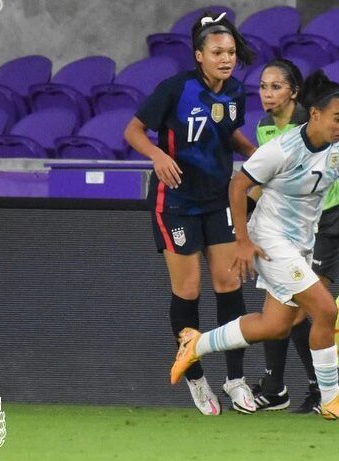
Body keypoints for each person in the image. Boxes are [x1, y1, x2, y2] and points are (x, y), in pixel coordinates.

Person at [170, 71, 339, 422]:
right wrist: (242, 242)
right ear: (315, 114)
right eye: (338, 118)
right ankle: (331, 398)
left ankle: (196, 344)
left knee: (275, 325)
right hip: (269, 239)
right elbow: (237, 187)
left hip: (301, 241)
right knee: (325, 310)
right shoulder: (282, 149)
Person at [123, 11, 259, 416]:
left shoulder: (235, 92)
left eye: (231, 51)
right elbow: (132, 131)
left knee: (229, 284)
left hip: (218, 199)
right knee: (188, 292)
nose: (226, 58)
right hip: (177, 203)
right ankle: (195, 378)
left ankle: (235, 378)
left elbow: (226, 133)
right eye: (217, 51)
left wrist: (258, 157)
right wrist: (157, 154)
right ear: (199, 55)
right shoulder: (175, 89)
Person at [249, 59, 339, 414]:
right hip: (291, 228)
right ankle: (286, 388)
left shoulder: (318, 119)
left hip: (329, 223)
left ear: (294, 93)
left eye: (275, 87)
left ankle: (316, 391)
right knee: (285, 312)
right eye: (262, 86)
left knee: (306, 311)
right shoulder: (264, 128)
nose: (267, 94)